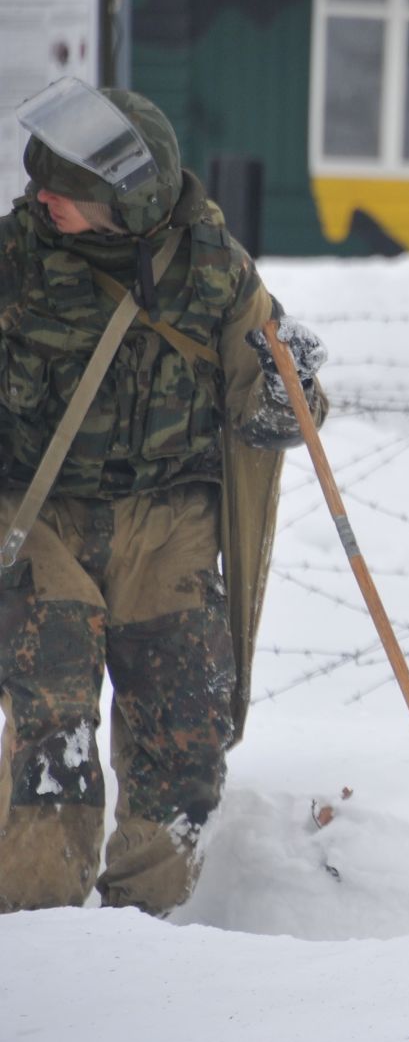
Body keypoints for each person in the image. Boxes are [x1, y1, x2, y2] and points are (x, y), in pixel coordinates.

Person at [0, 78, 328, 915]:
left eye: (65, 187)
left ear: (125, 199)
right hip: (38, 518)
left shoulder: (213, 267)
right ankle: (33, 931)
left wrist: (291, 392)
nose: (42, 196)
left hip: (169, 520)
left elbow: (274, 401)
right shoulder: (14, 263)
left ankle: (139, 938)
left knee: (185, 733)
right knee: (57, 724)